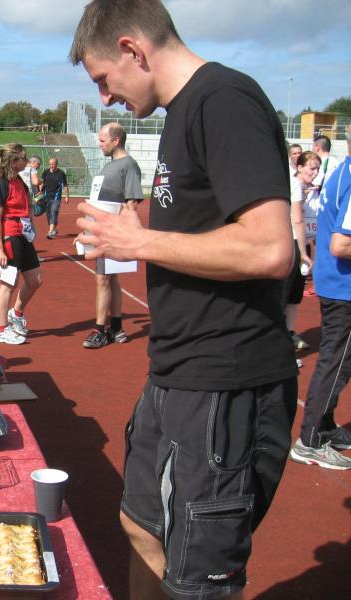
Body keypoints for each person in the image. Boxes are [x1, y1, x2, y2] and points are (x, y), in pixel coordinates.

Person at [69, 2, 297, 599]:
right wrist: (138, 234)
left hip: (225, 380)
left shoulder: (224, 101)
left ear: (132, 50)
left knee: (199, 577)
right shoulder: (182, 113)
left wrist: (139, 242)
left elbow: (271, 247)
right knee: (141, 526)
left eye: (103, 79)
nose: (106, 98)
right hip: (177, 372)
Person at [290, 123, 351, 470]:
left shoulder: (341, 173)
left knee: (338, 360)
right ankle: (310, 440)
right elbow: (341, 244)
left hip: (334, 282)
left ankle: (324, 426)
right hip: (343, 287)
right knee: (336, 362)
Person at [82, 122, 143, 349]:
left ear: (116, 140)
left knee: (103, 279)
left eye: (102, 140)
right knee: (111, 278)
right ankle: (116, 328)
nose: (99, 144)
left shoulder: (128, 165)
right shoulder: (110, 166)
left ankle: (100, 330)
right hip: (99, 230)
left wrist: (122, 234)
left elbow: (131, 204)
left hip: (112, 233)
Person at [0, 143, 43, 345]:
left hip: (23, 235)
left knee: (35, 279)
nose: (27, 161)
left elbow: (27, 206)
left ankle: (16, 313)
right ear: (13, 162)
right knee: (8, 285)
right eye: (23, 158)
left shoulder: (19, 180)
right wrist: (0, 248)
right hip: (9, 236)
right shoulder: (0, 183)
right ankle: (1, 329)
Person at [284, 151, 321, 355]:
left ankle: (290, 333)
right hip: (292, 244)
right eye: (311, 168)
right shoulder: (293, 185)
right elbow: (297, 219)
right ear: (299, 167)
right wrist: (302, 253)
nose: (315, 172)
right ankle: (280, 343)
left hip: (303, 244)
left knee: (295, 295)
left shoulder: (314, 190)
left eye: (317, 169)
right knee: (283, 293)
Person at [40, 157, 69, 238]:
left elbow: (65, 185)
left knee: (54, 212)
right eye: (50, 164)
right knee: (49, 214)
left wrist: (67, 196)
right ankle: (54, 230)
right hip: (46, 197)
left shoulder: (61, 173)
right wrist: (39, 192)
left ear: (57, 164)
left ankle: (50, 231)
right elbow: (41, 183)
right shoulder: (45, 172)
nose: (51, 166)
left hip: (56, 197)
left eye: (53, 164)